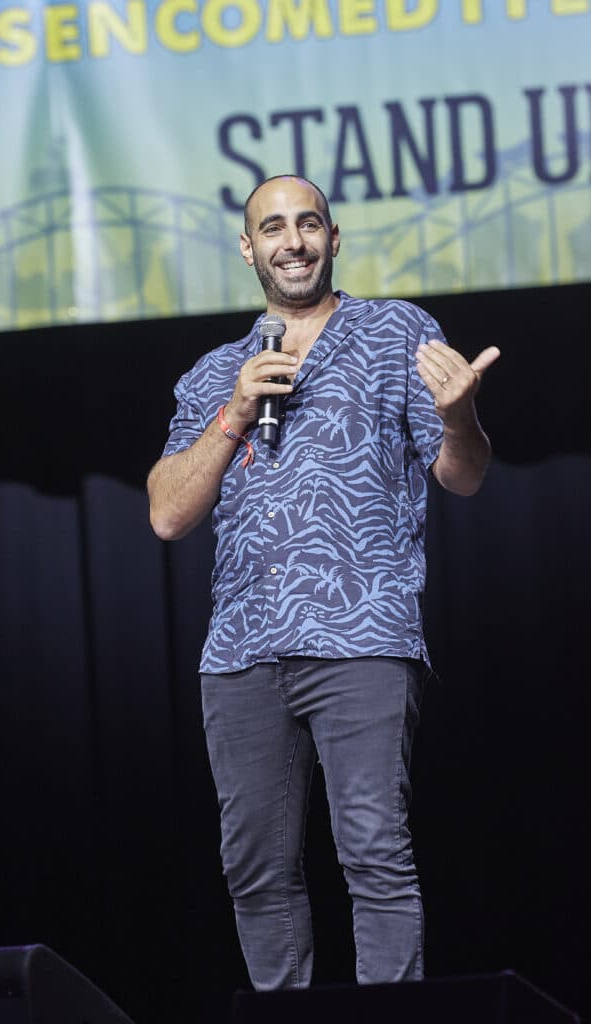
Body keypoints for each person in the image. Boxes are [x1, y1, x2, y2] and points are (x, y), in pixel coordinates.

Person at [147, 175, 499, 990]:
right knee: (255, 871)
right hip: (241, 650)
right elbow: (167, 515)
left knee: (374, 852)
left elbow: (464, 476)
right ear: (248, 248)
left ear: (333, 238)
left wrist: (457, 416)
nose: (292, 241)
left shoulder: (397, 332)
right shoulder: (214, 374)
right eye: (273, 227)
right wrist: (232, 415)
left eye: (308, 224)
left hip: (361, 634)